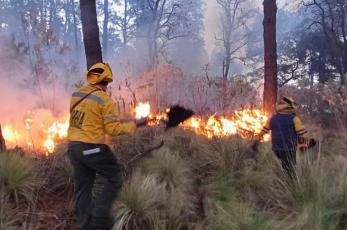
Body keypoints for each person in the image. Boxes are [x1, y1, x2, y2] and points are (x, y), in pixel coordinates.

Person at [67, 63, 147, 230]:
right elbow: (113, 129)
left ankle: (85, 226)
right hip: (92, 149)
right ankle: (100, 215)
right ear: (104, 81)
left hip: (74, 148)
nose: (106, 87)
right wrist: (133, 126)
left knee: (84, 188)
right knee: (115, 176)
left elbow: (88, 120)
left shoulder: (76, 95)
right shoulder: (105, 99)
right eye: (107, 83)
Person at [254, 96, 309, 176]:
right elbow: (302, 134)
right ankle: (291, 184)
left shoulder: (272, 118)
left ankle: (279, 179)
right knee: (290, 169)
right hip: (289, 149)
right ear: (290, 108)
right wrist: (304, 144)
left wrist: (256, 140)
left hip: (276, 148)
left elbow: (264, 131)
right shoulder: (294, 119)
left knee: (280, 165)